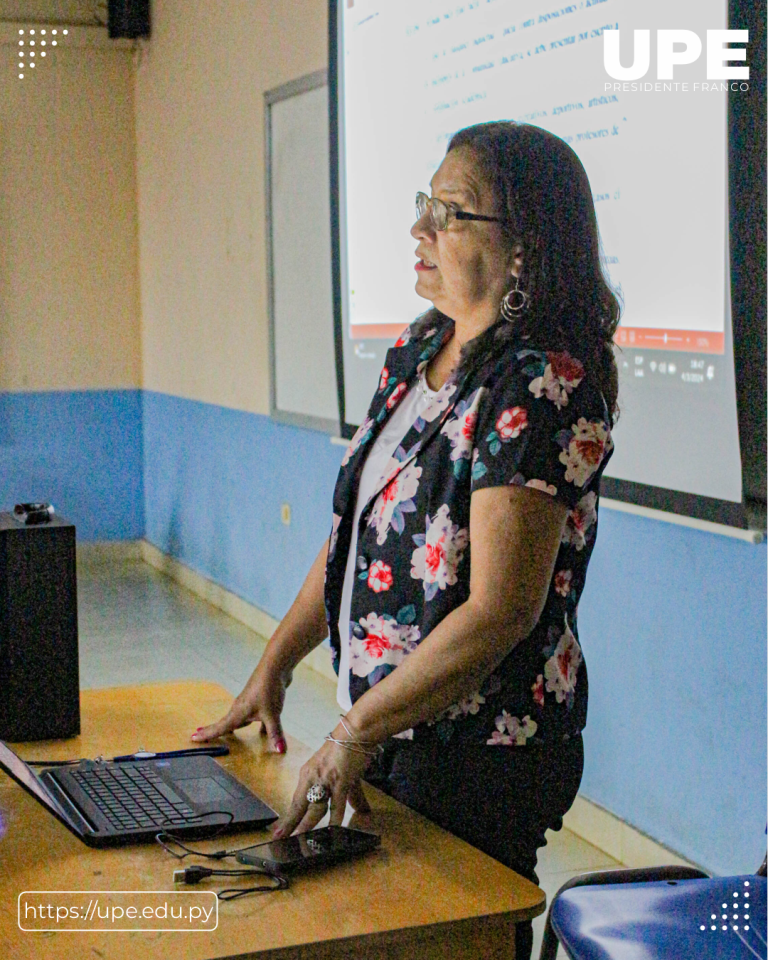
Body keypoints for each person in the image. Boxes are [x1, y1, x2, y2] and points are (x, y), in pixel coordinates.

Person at [193, 120, 620, 960]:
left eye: (450, 212)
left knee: (445, 938)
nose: (419, 228)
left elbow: (501, 611)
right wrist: (274, 663)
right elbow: (355, 534)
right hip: (394, 727)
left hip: (481, 748)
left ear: (524, 247)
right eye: (424, 202)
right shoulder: (419, 347)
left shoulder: (542, 381)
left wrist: (355, 731)